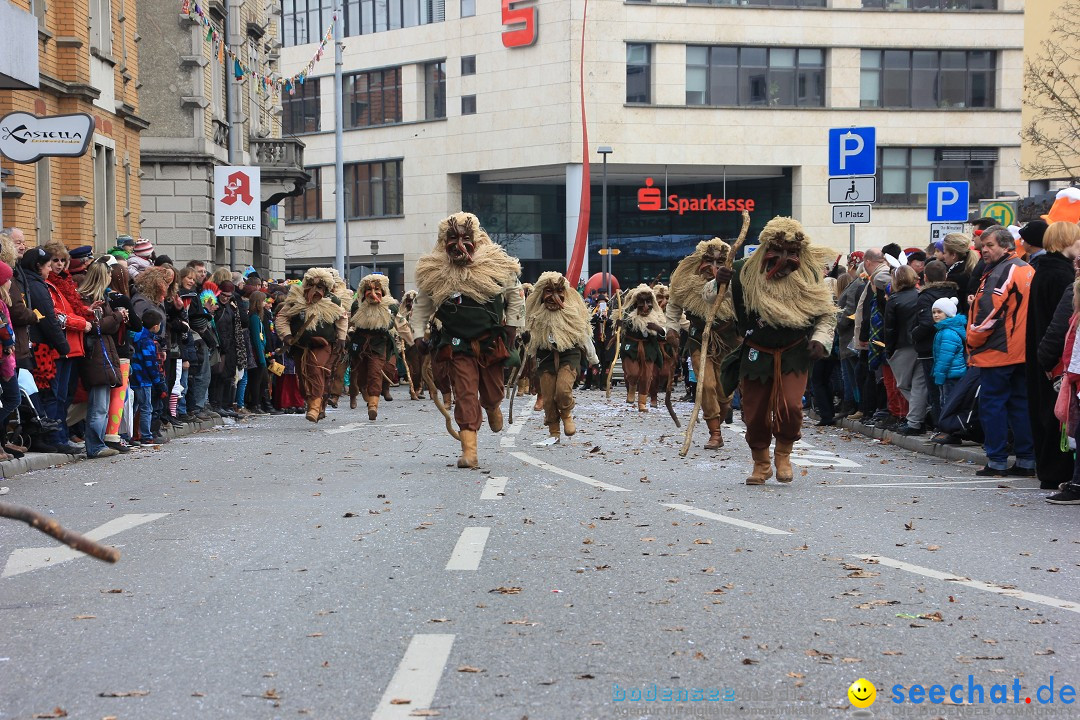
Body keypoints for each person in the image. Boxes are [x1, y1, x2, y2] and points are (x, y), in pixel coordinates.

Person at [409, 212, 525, 468]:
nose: (458, 243)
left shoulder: (498, 265)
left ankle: (493, 407)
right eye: (452, 237)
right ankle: (469, 450)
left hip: (490, 343)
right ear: (443, 240)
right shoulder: (434, 272)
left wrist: (513, 329)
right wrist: (418, 336)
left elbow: (515, 297)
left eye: (465, 237)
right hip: (457, 345)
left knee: (493, 393)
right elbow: (422, 306)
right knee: (464, 394)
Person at [726, 216, 836, 485]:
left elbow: (827, 314)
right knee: (754, 412)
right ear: (766, 249)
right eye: (778, 251)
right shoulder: (742, 271)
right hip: (756, 350)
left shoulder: (810, 275)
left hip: (794, 352)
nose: (785, 258)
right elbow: (710, 299)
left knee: (790, 407)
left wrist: (821, 340)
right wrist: (718, 282)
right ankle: (761, 463)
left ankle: (784, 454)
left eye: (792, 252)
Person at [967, 226, 1036, 478]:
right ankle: (1026, 460)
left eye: (990, 245)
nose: (984, 250)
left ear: (1006, 246)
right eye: (982, 246)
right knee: (1019, 404)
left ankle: (996, 460)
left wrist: (973, 340)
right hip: (1021, 349)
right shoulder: (1026, 269)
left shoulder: (1001, 272)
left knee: (993, 405)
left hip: (998, 349)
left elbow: (988, 313)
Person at [664, 238, 740, 448]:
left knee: (724, 391)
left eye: (719, 262)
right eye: (708, 260)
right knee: (706, 385)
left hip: (729, 341)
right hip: (699, 339)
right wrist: (671, 328)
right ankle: (714, 432)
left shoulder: (735, 282)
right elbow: (673, 306)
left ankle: (723, 410)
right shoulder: (685, 283)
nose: (714, 267)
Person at [1025, 221, 1080, 490]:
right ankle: (1056, 471)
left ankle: (1047, 469)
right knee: (1057, 414)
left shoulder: (1043, 270)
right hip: (1055, 358)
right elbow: (1061, 322)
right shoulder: (1061, 275)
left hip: (1042, 353)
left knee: (1044, 412)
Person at [524, 272, 598, 442]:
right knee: (548, 398)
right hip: (545, 357)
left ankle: (566, 415)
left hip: (569, 355)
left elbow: (584, 335)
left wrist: (593, 359)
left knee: (563, 390)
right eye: (548, 291)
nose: (554, 297)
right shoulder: (534, 315)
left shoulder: (572, 313)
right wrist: (527, 341)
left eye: (558, 292)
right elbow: (528, 336)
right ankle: (554, 430)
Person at [274, 268, 348, 423]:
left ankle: (314, 407)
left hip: (324, 345)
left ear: (326, 289)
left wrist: (341, 337)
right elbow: (282, 318)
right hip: (300, 346)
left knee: (315, 369)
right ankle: (314, 402)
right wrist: (287, 336)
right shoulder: (294, 300)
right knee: (302, 379)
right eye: (311, 286)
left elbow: (342, 318)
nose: (315, 290)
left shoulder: (333, 301)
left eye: (320, 287)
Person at [347, 274, 397, 420]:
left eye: (377, 289)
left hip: (379, 344)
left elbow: (390, 324)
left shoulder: (390, 306)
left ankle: (373, 405)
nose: (373, 292)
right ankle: (364, 393)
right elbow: (354, 323)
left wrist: (381, 309)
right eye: (369, 289)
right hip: (360, 344)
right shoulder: (357, 305)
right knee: (361, 376)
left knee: (375, 372)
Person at [885, 266, 928, 435]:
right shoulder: (921, 296)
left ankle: (917, 418)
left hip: (902, 346)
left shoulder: (894, 300)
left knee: (903, 384)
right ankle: (917, 419)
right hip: (920, 344)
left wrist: (889, 350)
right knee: (919, 384)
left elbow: (890, 329)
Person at [620, 284, 667, 414]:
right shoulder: (629, 316)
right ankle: (632, 387)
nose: (646, 306)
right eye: (642, 302)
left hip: (649, 348)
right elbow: (620, 324)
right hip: (632, 348)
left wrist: (657, 328)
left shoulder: (657, 316)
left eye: (648, 302)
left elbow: (664, 331)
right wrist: (620, 324)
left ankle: (642, 403)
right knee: (633, 373)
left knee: (647, 377)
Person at [129, 311, 165, 445]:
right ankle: (146, 435)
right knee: (146, 408)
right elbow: (151, 363)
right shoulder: (148, 341)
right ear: (155, 327)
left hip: (135, 377)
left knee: (134, 406)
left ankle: (130, 434)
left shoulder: (136, 337)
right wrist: (158, 381)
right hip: (143, 379)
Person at [930, 297, 967, 403]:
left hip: (950, 374)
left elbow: (945, 358)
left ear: (948, 313)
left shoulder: (948, 333)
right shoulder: (945, 330)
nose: (936, 315)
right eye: (934, 312)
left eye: (939, 312)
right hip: (951, 373)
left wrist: (939, 376)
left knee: (947, 403)